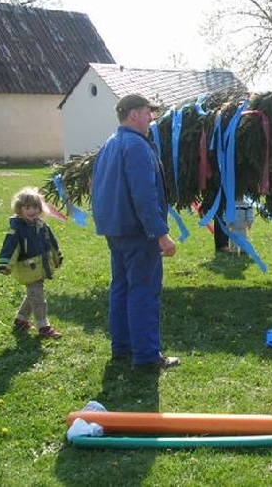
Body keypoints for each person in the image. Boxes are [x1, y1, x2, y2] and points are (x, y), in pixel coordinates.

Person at [91, 94, 180, 369]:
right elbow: (144, 195)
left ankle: (122, 348)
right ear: (133, 115)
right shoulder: (137, 146)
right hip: (139, 233)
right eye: (147, 112)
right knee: (143, 291)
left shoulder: (109, 144)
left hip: (116, 231)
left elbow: (98, 188)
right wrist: (160, 233)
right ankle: (146, 355)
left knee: (121, 288)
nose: (151, 118)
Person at [0, 187, 63, 338]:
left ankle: (21, 319)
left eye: (35, 207)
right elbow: (10, 247)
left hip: (42, 266)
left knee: (34, 294)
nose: (32, 211)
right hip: (27, 269)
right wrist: (5, 264)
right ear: (20, 208)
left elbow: (52, 243)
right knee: (38, 297)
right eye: (27, 208)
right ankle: (43, 326)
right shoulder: (17, 229)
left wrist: (57, 257)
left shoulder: (42, 226)